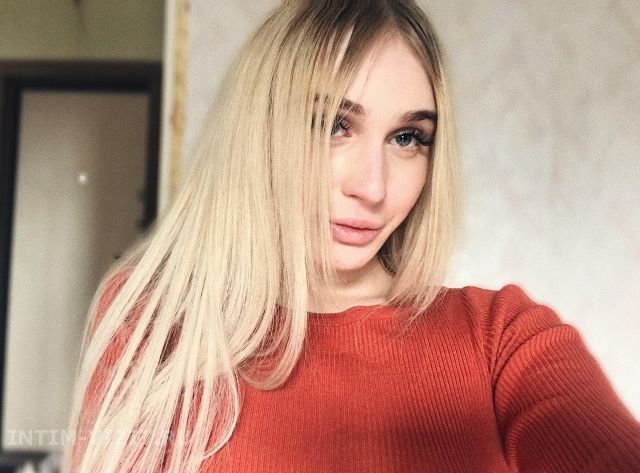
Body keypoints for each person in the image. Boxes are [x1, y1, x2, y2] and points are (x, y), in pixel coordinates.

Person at [62, 1, 640, 472]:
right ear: (260, 130)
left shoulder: (502, 339)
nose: (373, 186)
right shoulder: (157, 322)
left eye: (407, 138)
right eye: (334, 125)